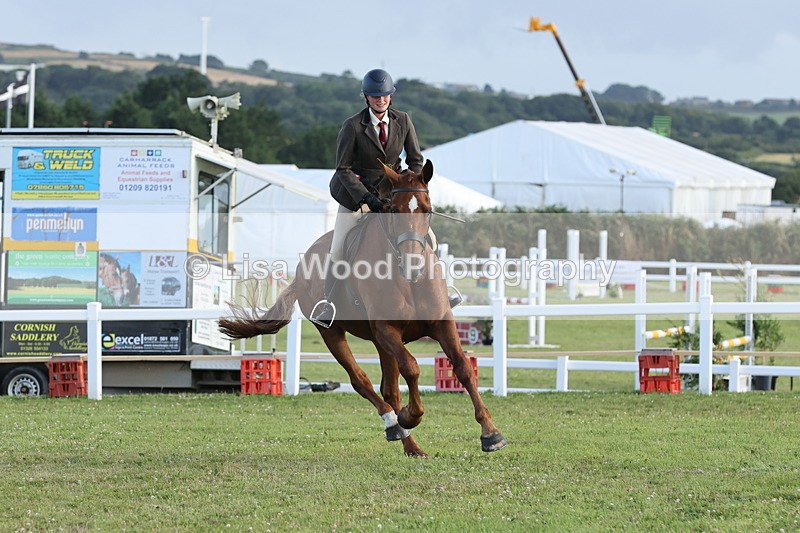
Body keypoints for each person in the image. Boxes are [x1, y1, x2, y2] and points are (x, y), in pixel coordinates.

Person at [311, 68, 459, 328]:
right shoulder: (353, 126)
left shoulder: (403, 120)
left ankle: (445, 292)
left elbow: (415, 159)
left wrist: (409, 185)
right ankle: (328, 303)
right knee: (339, 246)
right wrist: (367, 198)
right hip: (355, 195)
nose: (381, 100)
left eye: (385, 96)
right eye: (375, 96)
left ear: (391, 96)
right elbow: (343, 170)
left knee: (430, 239)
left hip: (394, 193)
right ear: (366, 97)